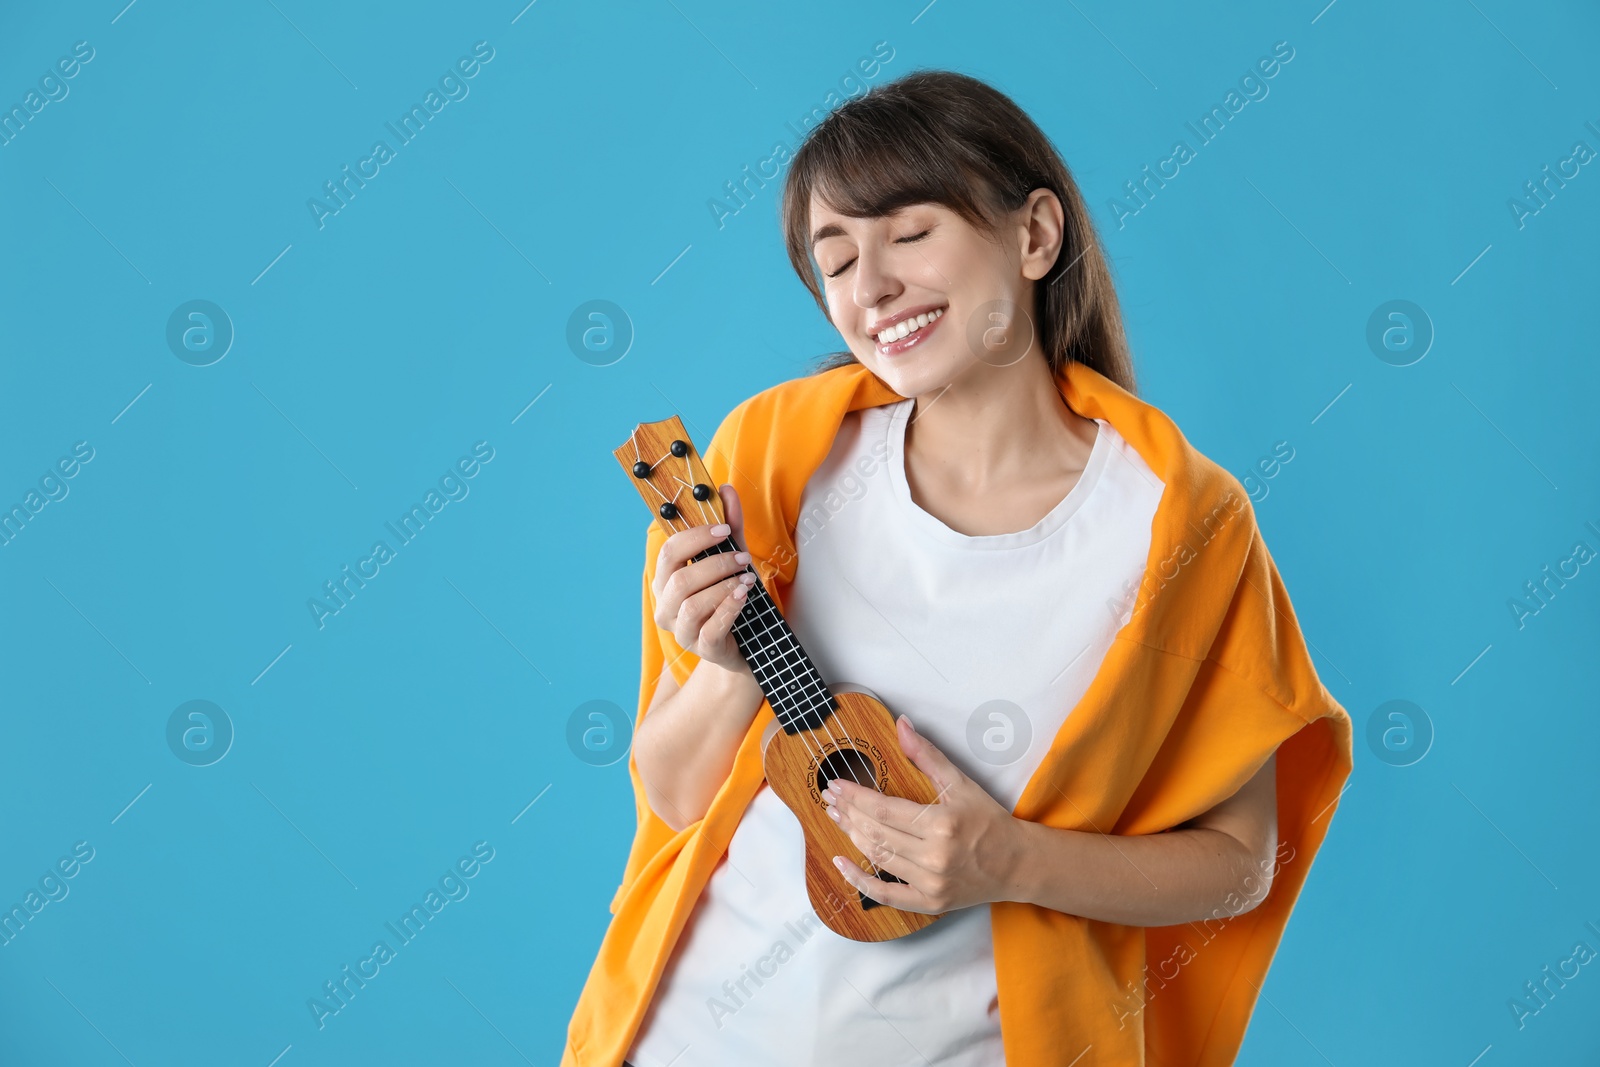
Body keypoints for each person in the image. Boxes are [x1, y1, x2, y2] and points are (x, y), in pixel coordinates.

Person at [565, 69, 1351, 1067]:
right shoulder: (771, 456)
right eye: (834, 258)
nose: (871, 286)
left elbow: (1239, 865)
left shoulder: (1178, 525)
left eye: (909, 233)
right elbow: (676, 797)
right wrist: (723, 666)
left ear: (1033, 237)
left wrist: (1010, 858)